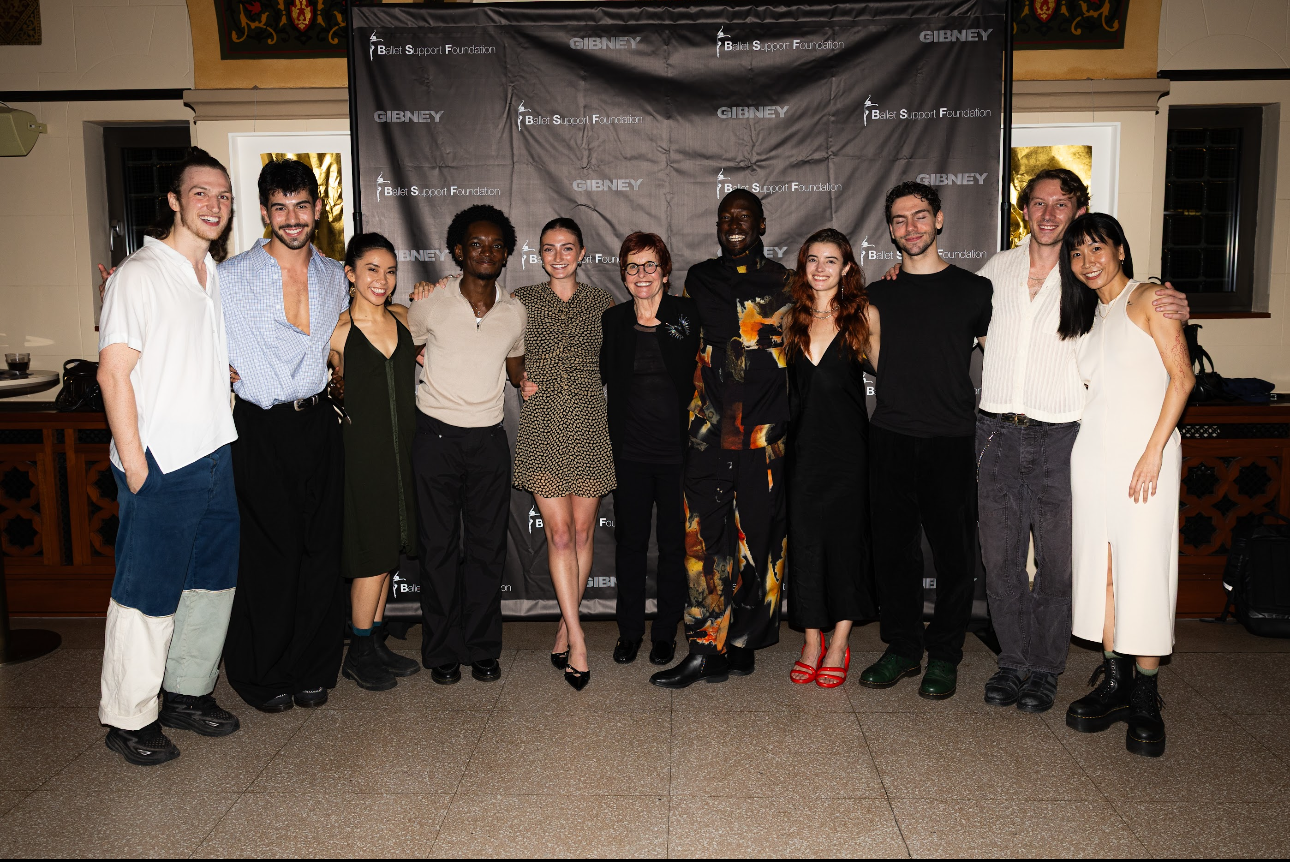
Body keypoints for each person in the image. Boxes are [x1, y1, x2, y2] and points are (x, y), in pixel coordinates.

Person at [974, 169, 1190, 713]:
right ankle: (1012, 663)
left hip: (1061, 438)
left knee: (1058, 566)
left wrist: (1176, 303)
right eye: (1039, 203)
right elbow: (946, 311)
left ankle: (1046, 671)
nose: (1049, 214)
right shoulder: (993, 271)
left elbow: (1141, 313)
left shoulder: (1086, 282)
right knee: (1000, 563)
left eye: (1061, 204)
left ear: (1077, 210)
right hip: (997, 432)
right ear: (1023, 210)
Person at [96, 147, 241, 764]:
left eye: (223, 195)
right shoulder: (140, 274)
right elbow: (112, 374)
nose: (213, 205)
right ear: (176, 202)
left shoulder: (214, 276)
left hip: (215, 454)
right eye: (201, 193)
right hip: (159, 462)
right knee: (145, 592)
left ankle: (184, 692)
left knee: (212, 586)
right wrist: (135, 465)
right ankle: (128, 718)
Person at [1059, 214, 1192, 757]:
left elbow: (1182, 378)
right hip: (1093, 457)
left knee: (1143, 571)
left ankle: (1146, 698)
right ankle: (1113, 683)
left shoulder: (1150, 298)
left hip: (1147, 457)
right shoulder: (1092, 313)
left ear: (1120, 250)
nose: (1088, 261)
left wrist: (1154, 451)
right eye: (1078, 253)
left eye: (1097, 248)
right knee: (1106, 572)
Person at [219, 158, 349, 712]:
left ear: (317, 209)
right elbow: (184, 331)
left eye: (301, 206)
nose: (292, 218)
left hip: (319, 421)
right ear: (265, 212)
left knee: (321, 551)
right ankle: (262, 673)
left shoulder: (333, 275)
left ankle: (313, 667)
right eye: (280, 208)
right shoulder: (227, 277)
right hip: (260, 426)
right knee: (268, 555)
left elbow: (358, 327)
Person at [650, 190, 792, 689]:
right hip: (710, 432)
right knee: (702, 543)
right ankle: (704, 646)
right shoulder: (700, 279)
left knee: (760, 541)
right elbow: (682, 343)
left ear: (761, 224)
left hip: (766, 437)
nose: (734, 224)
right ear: (716, 226)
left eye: (744, 217)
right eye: (726, 217)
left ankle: (744, 641)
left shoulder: (787, 283)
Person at [858, 182, 991, 701]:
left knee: (955, 556)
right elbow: (872, 358)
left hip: (950, 441)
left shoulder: (974, 291)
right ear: (890, 230)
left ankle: (946, 657)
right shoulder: (877, 294)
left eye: (919, 217)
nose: (910, 227)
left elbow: (1000, 356)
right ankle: (903, 650)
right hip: (889, 437)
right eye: (898, 220)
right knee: (893, 554)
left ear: (939, 220)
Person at [406, 204, 527, 685]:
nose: (487, 251)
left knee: (485, 551)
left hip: (488, 442)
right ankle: (440, 652)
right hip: (435, 438)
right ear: (458, 250)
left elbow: (515, 363)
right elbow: (404, 341)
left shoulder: (515, 310)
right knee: (437, 550)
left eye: (497, 245)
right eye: (476, 244)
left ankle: (482, 648)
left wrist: (531, 380)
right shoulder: (430, 302)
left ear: (506, 255)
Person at [509, 217, 616, 690]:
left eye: (567, 247)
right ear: (539, 254)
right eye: (549, 248)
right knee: (558, 536)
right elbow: (505, 349)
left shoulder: (601, 303)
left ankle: (562, 625)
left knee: (581, 531)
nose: (558, 256)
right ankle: (578, 640)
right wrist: (518, 377)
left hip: (590, 425)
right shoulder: (522, 301)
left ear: (582, 252)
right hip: (544, 425)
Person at [782, 229, 880, 688]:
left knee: (845, 544)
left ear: (846, 268)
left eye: (831, 260)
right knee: (804, 544)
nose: (821, 268)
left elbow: (894, 375)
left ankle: (839, 642)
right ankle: (811, 640)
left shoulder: (864, 316)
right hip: (802, 451)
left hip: (849, 452)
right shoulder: (789, 320)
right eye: (813, 260)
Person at [600, 232, 699, 669]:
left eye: (650, 266)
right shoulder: (614, 320)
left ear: (665, 271)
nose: (642, 275)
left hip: (678, 455)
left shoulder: (684, 315)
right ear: (623, 274)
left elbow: (691, 348)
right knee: (631, 546)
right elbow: (598, 373)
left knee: (674, 548)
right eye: (633, 267)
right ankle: (629, 632)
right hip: (630, 455)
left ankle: (665, 634)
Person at [328, 233, 422, 691]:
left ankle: (377, 639)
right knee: (370, 554)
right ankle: (359, 649)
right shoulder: (337, 332)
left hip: (403, 451)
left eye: (389, 271)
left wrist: (434, 287)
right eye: (371, 270)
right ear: (350, 273)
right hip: (361, 454)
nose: (381, 280)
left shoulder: (405, 319)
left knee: (388, 551)